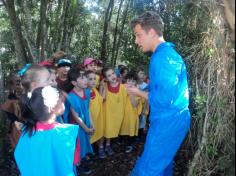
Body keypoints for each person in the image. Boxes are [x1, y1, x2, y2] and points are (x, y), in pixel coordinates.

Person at [127, 12, 191, 176]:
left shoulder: (164, 57)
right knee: (162, 163)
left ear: (152, 33)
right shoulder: (162, 55)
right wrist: (144, 89)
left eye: (138, 35)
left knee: (149, 168)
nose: (136, 41)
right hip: (168, 119)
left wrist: (137, 92)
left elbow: (164, 98)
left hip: (169, 121)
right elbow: (160, 86)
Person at [14, 86, 80, 176]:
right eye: (62, 102)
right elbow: (75, 161)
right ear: (52, 107)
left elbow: (20, 155)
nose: (64, 104)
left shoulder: (26, 131)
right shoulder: (68, 133)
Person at [65, 68, 94, 175]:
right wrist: (86, 128)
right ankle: (79, 164)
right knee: (79, 145)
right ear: (74, 82)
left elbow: (87, 109)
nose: (86, 79)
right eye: (82, 78)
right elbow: (76, 116)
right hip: (77, 127)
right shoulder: (71, 97)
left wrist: (92, 123)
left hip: (86, 123)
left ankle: (84, 159)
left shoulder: (87, 91)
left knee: (85, 143)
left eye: (85, 77)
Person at [101, 67, 127, 156]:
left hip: (117, 114)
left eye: (113, 73)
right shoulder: (105, 87)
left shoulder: (123, 87)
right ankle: (101, 147)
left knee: (111, 130)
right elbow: (102, 99)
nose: (112, 76)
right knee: (104, 130)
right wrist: (103, 86)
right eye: (109, 75)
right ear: (106, 79)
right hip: (106, 114)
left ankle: (108, 145)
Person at [120, 71, 142, 153]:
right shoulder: (122, 87)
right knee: (123, 127)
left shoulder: (137, 91)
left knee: (131, 129)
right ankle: (121, 141)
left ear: (136, 82)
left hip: (132, 114)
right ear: (126, 80)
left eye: (133, 81)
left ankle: (129, 144)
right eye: (129, 80)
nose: (130, 83)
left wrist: (131, 93)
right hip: (123, 113)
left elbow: (134, 104)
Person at [86, 71, 106, 159]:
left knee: (99, 132)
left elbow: (101, 99)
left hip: (98, 117)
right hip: (91, 119)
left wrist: (102, 87)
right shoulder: (85, 92)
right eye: (90, 79)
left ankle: (99, 148)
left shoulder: (94, 90)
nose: (93, 81)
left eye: (95, 79)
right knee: (90, 135)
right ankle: (88, 152)